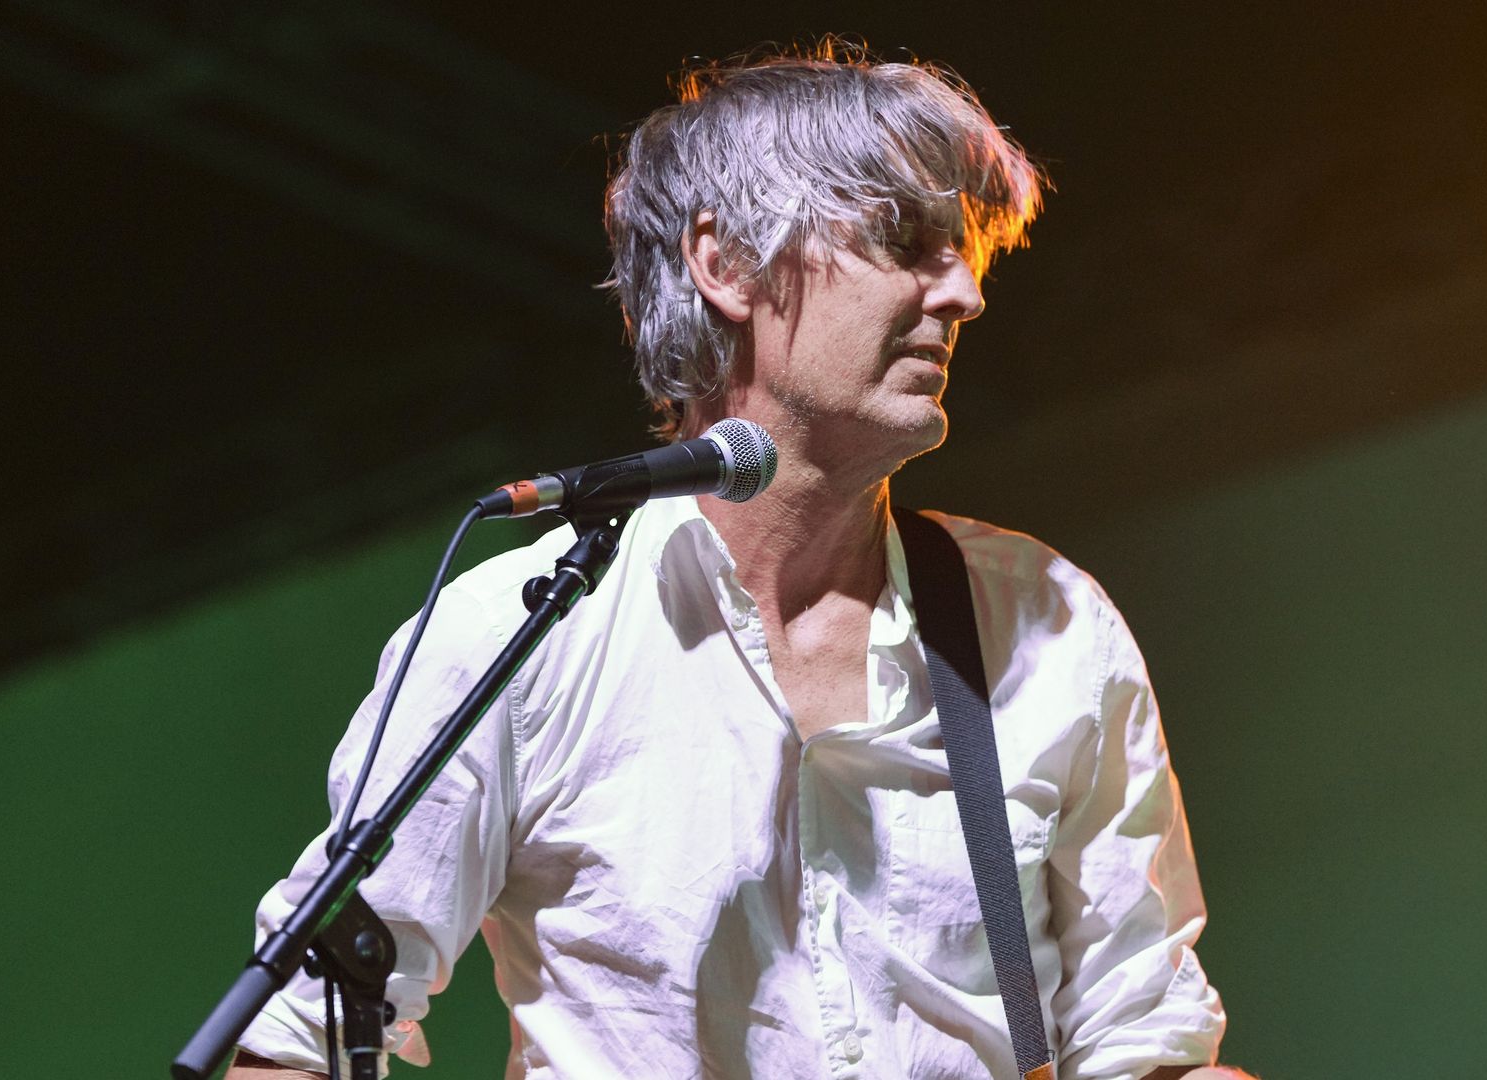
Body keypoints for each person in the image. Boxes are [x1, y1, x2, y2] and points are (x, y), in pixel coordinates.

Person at [231, 42, 1242, 1080]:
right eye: (905, 239)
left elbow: (1148, 1048)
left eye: (965, 249)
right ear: (725, 266)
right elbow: (297, 1037)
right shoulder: (525, 633)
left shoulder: (1049, 623)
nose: (964, 294)